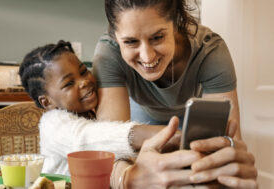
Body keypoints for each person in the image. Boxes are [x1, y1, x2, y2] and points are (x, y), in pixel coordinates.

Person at [92, 0, 258, 188]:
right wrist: (128, 176)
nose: (147, 57)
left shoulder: (210, 50)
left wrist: (227, 162)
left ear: (176, 23)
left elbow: (229, 142)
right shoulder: (108, 54)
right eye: (130, 42)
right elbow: (107, 152)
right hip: (141, 113)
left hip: (189, 113)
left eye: (157, 37)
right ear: (115, 36)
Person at [18, 40, 181, 176]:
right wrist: (172, 135)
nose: (83, 82)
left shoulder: (95, 111)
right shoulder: (52, 123)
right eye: (68, 83)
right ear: (47, 102)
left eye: (83, 71)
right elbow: (85, 140)